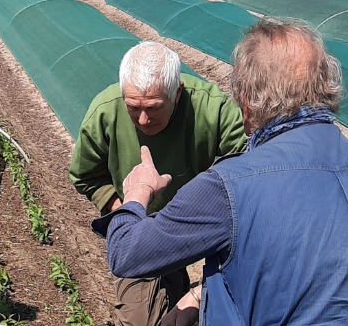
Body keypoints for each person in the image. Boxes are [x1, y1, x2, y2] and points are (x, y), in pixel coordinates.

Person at [94, 19, 348, 326]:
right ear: (326, 88)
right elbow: (322, 278)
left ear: (246, 104)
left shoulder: (230, 185)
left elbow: (127, 255)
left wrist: (137, 192)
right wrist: (201, 294)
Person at [69, 41, 245, 326]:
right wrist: (129, 209)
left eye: (153, 107)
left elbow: (250, 164)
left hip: (193, 224)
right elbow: (86, 176)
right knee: (141, 318)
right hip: (140, 225)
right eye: (133, 107)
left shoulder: (213, 109)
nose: (142, 119)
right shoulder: (104, 112)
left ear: (177, 93)